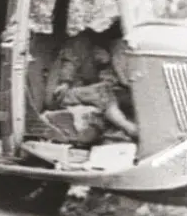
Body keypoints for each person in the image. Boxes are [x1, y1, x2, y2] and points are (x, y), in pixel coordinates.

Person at [42, 16, 139, 144]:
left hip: (81, 91)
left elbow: (111, 78)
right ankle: (129, 128)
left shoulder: (101, 49)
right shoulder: (82, 42)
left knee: (115, 93)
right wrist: (65, 82)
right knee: (104, 92)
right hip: (62, 94)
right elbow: (69, 63)